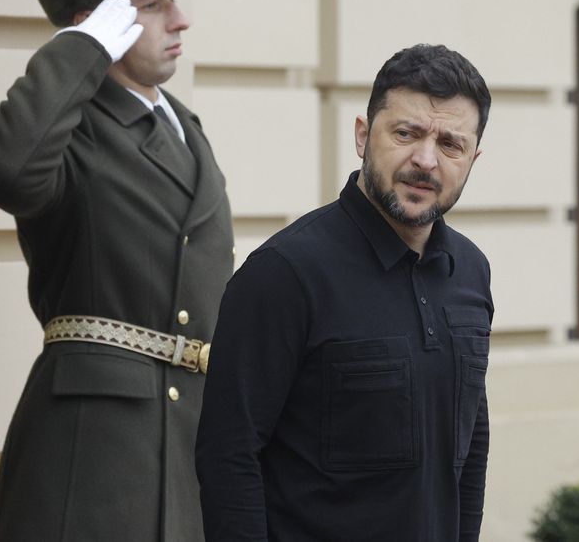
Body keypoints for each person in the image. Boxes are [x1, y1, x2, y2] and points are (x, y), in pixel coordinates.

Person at [0, 0, 233, 542]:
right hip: (94, 451)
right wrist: (77, 52)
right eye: (151, 5)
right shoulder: (72, 127)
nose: (180, 19)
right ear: (101, 24)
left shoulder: (181, 126)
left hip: (186, 444)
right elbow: (6, 171)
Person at [196, 44, 494, 541]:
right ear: (362, 136)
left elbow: (471, 446)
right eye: (406, 133)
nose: (425, 160)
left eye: (450, 144)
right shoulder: (284, 273)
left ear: (472, 158)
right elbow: (228, 455)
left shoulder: (471, 272)